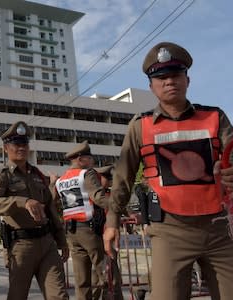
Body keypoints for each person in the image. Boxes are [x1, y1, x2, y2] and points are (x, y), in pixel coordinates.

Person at [103, 41, 233, 300]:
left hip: (218, 228)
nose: (169, 81)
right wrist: (111, 221)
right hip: (170, 232)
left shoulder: (215, 117)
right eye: (161, 77)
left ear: (188, 79)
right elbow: (123, 177)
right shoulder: (140, 126)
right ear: (151, 86)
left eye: (175, 75)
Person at [0, 121, 69, 300]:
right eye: (16, 144)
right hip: (21, 246)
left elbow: (50, 209)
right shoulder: (2, 175)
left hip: (47, 244)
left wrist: (61, 240)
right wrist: (23, 202)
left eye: (24, 143)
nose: (21, 148)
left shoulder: (37, 174)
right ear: (5, 148)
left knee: (59, 296)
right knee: (18, 296)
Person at [52, 141, 108, 300]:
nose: (93, 162)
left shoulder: (60, 180)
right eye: (90, 158)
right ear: (81, 159)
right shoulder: (86, 173)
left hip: (71, 233)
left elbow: (53, 203)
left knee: (81, 279)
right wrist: (118, 208)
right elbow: (98, 197)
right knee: (105, 273)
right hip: (89, 231)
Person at [94, 165, 124, 300]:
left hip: (109, 240)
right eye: (107, 177)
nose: (110, 180)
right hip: (95, 240)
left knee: (112, 275)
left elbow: (120, 208)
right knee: (98, 278)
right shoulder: (92, 195)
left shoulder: (110, 194)